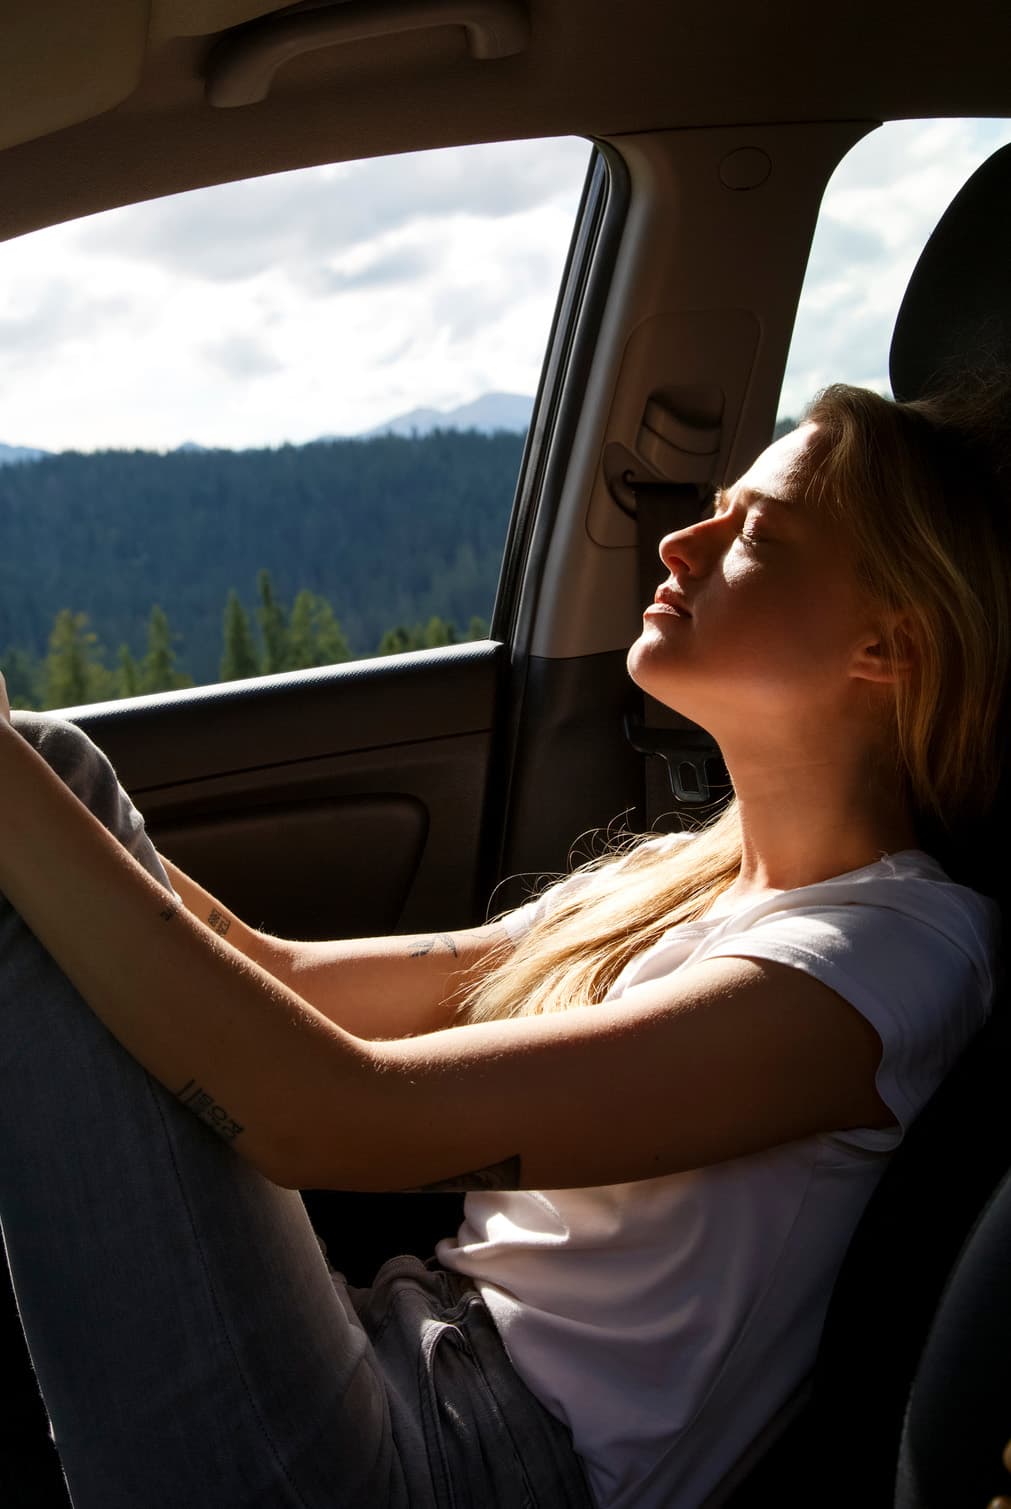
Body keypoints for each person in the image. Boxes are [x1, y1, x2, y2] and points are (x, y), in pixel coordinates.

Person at [0, 380, 1006, 1509]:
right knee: (58, 784)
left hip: (463, 1470)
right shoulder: (675, 882)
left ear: (887, 646)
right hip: (403, 1344)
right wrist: (57, 814)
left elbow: (338, 1118)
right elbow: (278, 977)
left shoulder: (891, 960)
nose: (683, 538)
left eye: (757, 531)